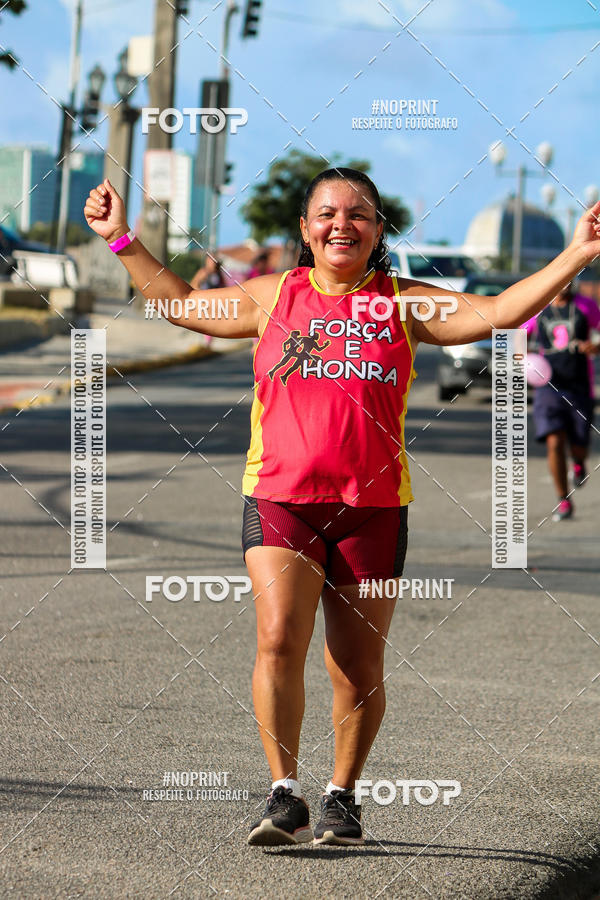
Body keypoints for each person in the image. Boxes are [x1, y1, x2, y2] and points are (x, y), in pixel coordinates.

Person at [84, 168, 600, 847]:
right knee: (276, 641)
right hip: (281, 503)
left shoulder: (405, 304)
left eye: (359, 213)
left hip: (374, 511)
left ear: (378, 231)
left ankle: (342, 797)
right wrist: (121, 238)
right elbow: (181, 303)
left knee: (354, 667)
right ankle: (282, 795)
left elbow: (501, 311)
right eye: (326, 213)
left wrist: (579, 254)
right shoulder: (272, 297)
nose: (341, 223)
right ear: (305, 230)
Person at [524, 284, 600, 520]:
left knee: (578, 444)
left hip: (579, 385)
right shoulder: (539, 308)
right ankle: (563, 500)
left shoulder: (585, 305)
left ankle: (578, 462)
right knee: (554, 441)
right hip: (549, 386)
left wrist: (596, 346)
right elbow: (518, 334)